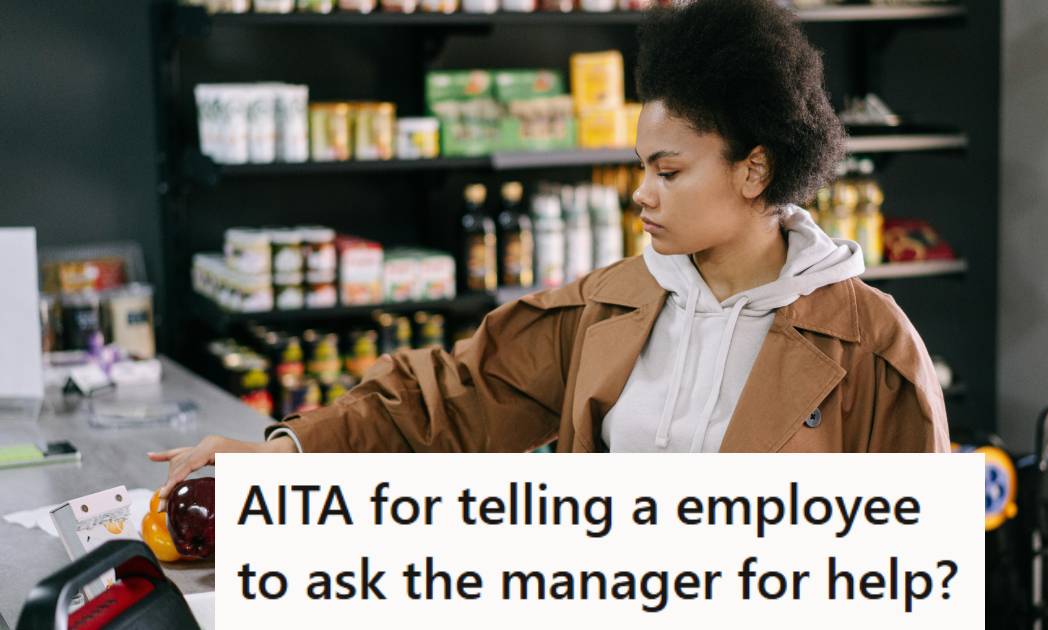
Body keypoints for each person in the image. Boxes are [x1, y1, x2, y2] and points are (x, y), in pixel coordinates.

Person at [151, 0, 950, 499]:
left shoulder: (871, 347)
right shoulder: (614, 303)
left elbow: (905, 572)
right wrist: (284, 449)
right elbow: (451, 400)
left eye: (668, 171)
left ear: (755, 168)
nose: (642, 193)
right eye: (642, 167)